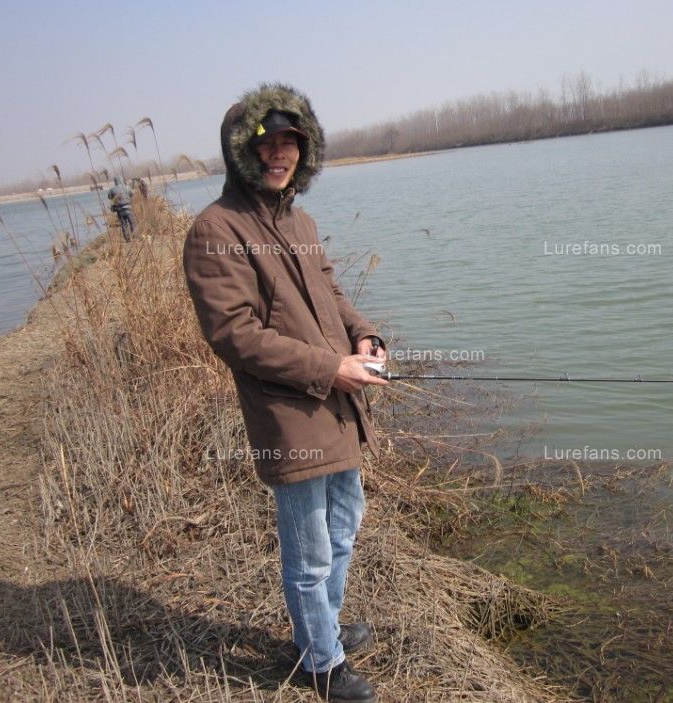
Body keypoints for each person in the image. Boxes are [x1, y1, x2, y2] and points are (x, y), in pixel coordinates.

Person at [182, 83, 387, 703]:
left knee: (346, 523)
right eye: (266, 143)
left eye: (290, 142)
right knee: (310, 550)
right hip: (290, 415)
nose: (279, 154)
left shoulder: (300, 220)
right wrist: (331, 368)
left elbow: (331, 292)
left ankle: (321, 628)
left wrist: (365, 335)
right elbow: (236, 335)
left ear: (305, 150)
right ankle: (321, 664)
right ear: (241, 152)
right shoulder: (215, 229)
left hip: (337, 404)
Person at [107, 176, 136, 241]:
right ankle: (135, 237)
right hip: (128, 208)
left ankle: (127, 239)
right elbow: (132, 194)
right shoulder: (127, 187)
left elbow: (109, 197)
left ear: (115, 181)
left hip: (120, 210)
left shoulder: (112, 190)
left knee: (124, 225)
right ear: (122, 180)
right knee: (132, 223)